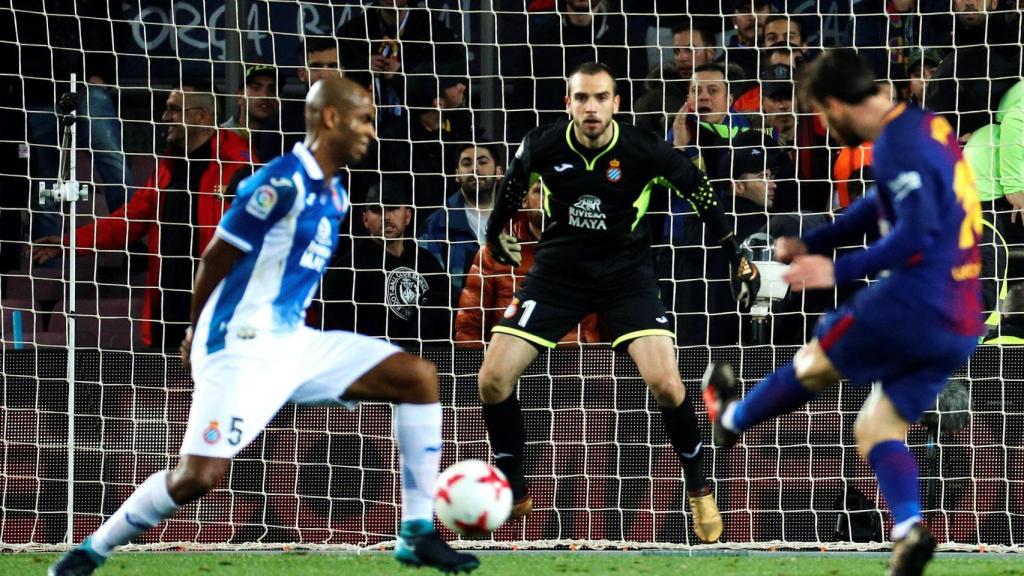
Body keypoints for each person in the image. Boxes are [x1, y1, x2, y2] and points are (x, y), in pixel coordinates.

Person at [48, 77, 479, 575]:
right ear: (331, 119)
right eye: (363, 119)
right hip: (239, 346)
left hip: (293, 342)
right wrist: (195, 331)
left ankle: (417, 532)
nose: (372, 132)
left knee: (418, 378)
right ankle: (89, 551)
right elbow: (213, 259)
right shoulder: (278, 183)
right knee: (199, 477)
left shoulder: (336, 193)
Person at [702, 50, 983, 576]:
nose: (826, 129)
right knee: (877, 425)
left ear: (834, 104)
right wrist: (812, 240)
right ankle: (907, 530)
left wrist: (837, 268)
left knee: (817, 358)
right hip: (963, 314)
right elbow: (878, 206)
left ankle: (731, 419)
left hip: (914, 302)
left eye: (823, 117)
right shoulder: (928, 127)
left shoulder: (896, 145)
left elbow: (915, 231)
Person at [476, 62, 760, 544]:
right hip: (556, 276)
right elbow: (511, 185)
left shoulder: (642, 149)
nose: (591, 107)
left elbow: (700, 191)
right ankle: (514, 483)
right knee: (492, 380)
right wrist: (494, 232)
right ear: (568, 103)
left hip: (627, 278)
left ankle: (699, 490)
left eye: (600, 98)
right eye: (582, 98)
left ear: (616, 103)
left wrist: (735, 252)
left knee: (667, 385)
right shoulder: (543, 144)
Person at [33, 82, 252, 350]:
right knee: (167, 389)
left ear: (201, 116)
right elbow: (130, 219)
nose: (165, 117)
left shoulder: (240, 164)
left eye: (174, 110)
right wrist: (68, 243)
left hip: (221, 309)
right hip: (168, 308)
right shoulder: (168, 166)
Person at [455, 179, 600, 347]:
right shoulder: (494, 252)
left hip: (577, 363)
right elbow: (468, 327)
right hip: (512, 362)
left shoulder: (591, 251)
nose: (547, 199)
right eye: (539, 191)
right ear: (524, 201)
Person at [320, 176, 450, 347]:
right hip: (373, 366)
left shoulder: (427, 263)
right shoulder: (347, 269)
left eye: (393, 208)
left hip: (425, 362)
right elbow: (334, 332)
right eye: (377, 210)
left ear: (408, 216)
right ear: (365, 219)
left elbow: (445, 322)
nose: (386, 217)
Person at [419, 143, 504, 300]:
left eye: (482, 162)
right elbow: (431, 288)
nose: (475, 169)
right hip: (456, 319)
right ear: (456, 175)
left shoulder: (517, 220)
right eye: (467, 163)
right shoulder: (436, 225)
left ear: (499, 172)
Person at [221, 63, 283, 163]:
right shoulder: (219, 139)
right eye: (256, 88)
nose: (265, 96)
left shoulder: (287, 140)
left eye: (272, 89)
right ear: (240, 96)